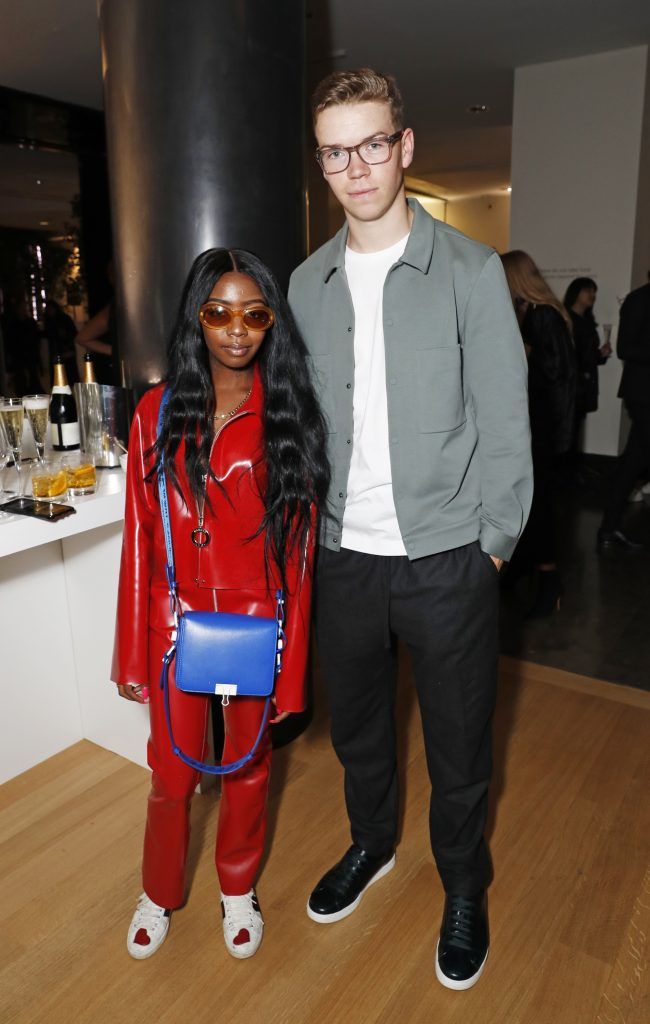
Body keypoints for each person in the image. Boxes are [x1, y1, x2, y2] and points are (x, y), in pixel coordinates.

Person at [288, 68, 532, 991]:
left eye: (373, 144)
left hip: (448, 558)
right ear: (322, 162)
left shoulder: (469, 271)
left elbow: (509, 426)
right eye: (336, 151)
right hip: (345, 556)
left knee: (462, 745)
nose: (356, 166)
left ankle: (464, 885)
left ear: (406, 146)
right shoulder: (307, 284)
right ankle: (371, 845)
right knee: (358, 732)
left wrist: (493, 544)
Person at [111, 248, 329, 960]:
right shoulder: (158, 409)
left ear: (272, 323)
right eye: (219, 313)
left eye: (254, 314)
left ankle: (237, 886)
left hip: (256, 624)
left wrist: (293, 665)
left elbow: (299, 557)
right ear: (196, 318)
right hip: (174, 624)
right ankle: (159, 890)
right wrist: (130, 651)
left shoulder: (287, 413)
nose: (237, 330)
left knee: (246, 767)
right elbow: (140, 540)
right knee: (170, 773)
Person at [501, 250, 576, 615]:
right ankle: (527, 572)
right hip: (537, 425)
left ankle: (549, 581)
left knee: (538, 505)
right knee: (530, 504)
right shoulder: (535, 312)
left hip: (541, 427)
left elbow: (555, 373)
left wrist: (522, 350)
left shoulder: (543, 315)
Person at [598, 275, 650, 551]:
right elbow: (625, 349)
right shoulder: (639, 299)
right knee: (634, 462)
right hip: (642, 395)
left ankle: (608, 528)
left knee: (633, 461)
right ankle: (608, 528)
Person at [563, 277, 611, 440]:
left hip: (585, 383)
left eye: (593, 292)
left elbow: (588, 355)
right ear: (575, 292)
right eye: (587, 290)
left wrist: (601, 354)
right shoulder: (565, 319)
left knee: (576, 428)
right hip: (571, 384)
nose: (592, 295)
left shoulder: (588, 322)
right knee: (567, 428)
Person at [43, 299, 78, 385]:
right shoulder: (49, 322)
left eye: (51, 309)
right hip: (56, 353)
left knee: (69, 377)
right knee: (59, 379)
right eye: (48, 310)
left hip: (66, 351)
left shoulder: (65, 319)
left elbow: (73, 333)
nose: (50, 312)